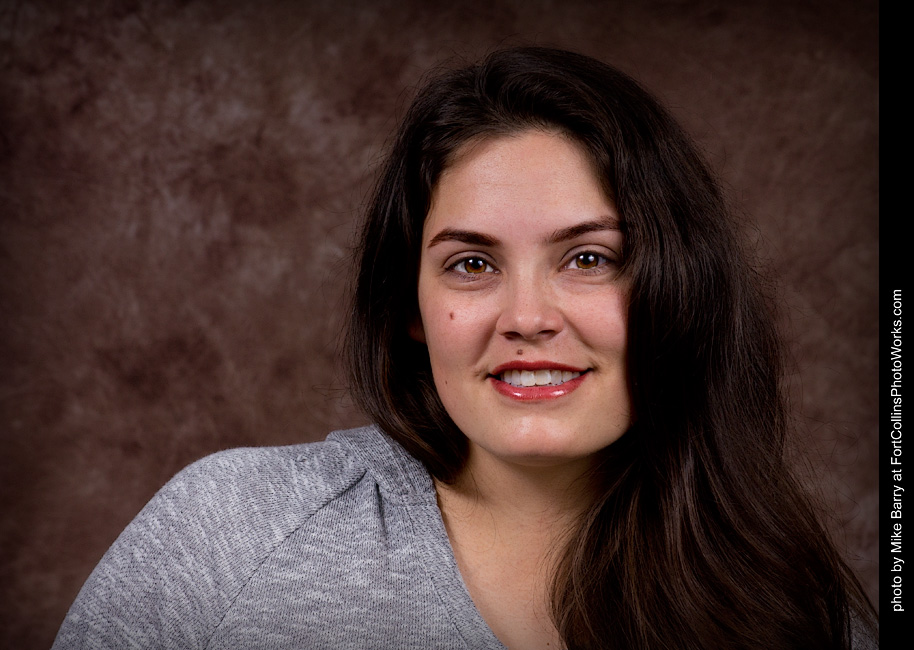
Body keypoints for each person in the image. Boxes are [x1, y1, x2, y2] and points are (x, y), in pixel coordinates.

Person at [53, 47, 877, 649]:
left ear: (681, 287)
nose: (528, 317)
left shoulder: (787, 603)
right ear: (409, 307)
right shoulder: (227, 534)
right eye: (472, 264)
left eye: (589, 259)